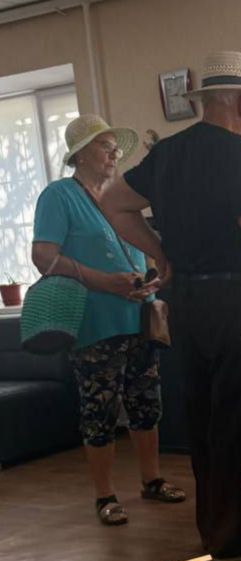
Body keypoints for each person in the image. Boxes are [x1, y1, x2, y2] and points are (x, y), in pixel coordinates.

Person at [101, 51, 241, 561]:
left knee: (203, 420)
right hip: (236, 304)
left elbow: (113, 203)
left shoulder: (168, 152)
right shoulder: (237, 151)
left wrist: (160, 254)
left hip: (186, 302)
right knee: (239, 421)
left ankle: (215, 532)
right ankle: (236, 538)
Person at [31, 114, 185, 526]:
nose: (114, 153)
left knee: (147, 404)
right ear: (80, 154)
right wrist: (104, 282)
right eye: (104, 145)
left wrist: (149, 279)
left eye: (115, 146)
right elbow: (43, 257)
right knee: (100, 411)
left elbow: (138, 251)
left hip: (138, 318)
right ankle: (105, 495)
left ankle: (152, 480)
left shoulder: (119, 196)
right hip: (94, 324)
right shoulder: (59, 196)